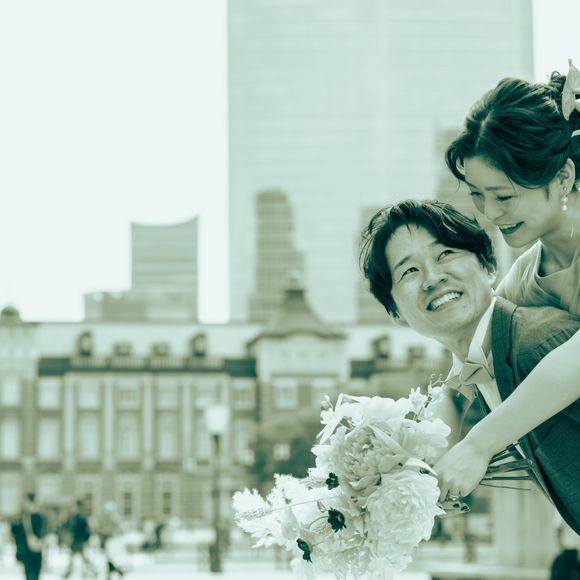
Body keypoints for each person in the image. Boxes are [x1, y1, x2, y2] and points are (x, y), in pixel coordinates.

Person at [360, 199, 580, 533]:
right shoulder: (487, 369)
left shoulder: (536, 344)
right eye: (409, 271)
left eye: (445, 254)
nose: (433, 278)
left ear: (489, 265)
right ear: (395, 313)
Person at [437, 61, 580, 502]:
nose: (491, 214)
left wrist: (479, 444)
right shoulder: (524, 275)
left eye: (504, 196)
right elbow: (474, 363)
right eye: (478, 196)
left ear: (563, 177)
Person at [10, 492, 46, 580]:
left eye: (25, 502)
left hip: (33, 551)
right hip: (29, 551)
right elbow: (15, 532)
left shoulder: (36, 517)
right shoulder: (24, 517)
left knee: (32, 575)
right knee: (31, 575)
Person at [62, 499, 98, 578]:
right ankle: (68, 573)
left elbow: (87, 531)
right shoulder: (74, 518)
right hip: (75, 541)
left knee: (82, 558)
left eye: (75, 507)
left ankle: (92, 571)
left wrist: (85, 540)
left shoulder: (82, 519)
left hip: (80, 542)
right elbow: (70, 529)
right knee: (74, 558)